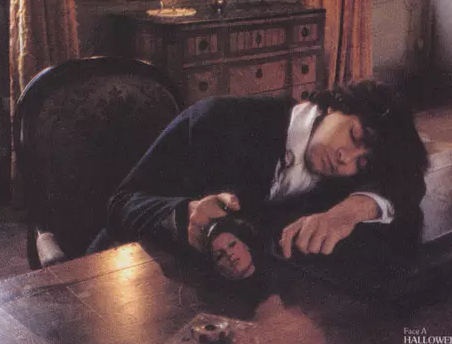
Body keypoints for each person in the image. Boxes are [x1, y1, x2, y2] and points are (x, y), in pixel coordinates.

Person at [90, 80, 428, 279]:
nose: (345, 159)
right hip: (119, 272)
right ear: (335, 105)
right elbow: (121, 205)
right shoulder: (218, 118)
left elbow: (409, 181)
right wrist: (186, 212)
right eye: (354, 136)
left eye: (361, 162)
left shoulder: (344, 175)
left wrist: (351, 211)